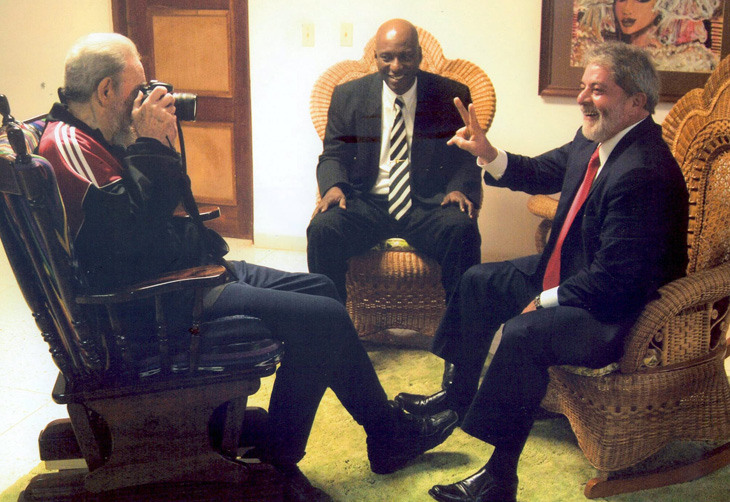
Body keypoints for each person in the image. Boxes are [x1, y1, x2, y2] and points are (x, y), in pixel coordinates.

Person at [38, 33, 458, 502]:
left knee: (320, 287)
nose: (146, 98)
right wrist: (150, 145)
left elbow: (144, 217)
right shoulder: (70, 147)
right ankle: (309, 453)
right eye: (137, 88)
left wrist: (154, 147)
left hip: (177, 274)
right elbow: (122, 247)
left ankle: (366, 436)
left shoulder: (96, 136)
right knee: (324, 317)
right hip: (149, 302)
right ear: (105, 91)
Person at [394, 42, 689, 502]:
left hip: (615, 311)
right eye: (584, 87)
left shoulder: (644, 171)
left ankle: (499, 478)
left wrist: (544, 300)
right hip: (577, 272)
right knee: (478, 281)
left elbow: (615, 280)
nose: (583, 98)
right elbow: (537, 171)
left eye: (598, 90)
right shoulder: (594, 138)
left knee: (523, 333)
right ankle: (455, 399)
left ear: (637, 102)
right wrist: (488, 152)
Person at [307, 18, 482, 305]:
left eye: (406, 56)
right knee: (323, 229)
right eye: (386, 57)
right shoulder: (348, 95)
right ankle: (331, 322)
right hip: (367, 202)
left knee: (461, 229)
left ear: (419, 55)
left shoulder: (451, 95)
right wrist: (334, 186)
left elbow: (466, 155)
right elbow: (333, 153)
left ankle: (458, 328)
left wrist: (459, 188)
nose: (396, 66)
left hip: (427, 203)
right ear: (375, 57)